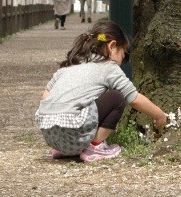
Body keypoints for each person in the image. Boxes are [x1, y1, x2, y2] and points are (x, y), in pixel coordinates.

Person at [34, 20, 169, 162]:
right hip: (74, 133)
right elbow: (134, 99)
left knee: (87, 104)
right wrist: (159, 116)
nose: (122, 63)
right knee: (117, 97)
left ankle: (65, 149)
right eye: (123, 55)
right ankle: (96, 146)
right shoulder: (108, 67)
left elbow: (45, 95)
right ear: (112, 46)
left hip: (50, 135)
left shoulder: (70, 65)